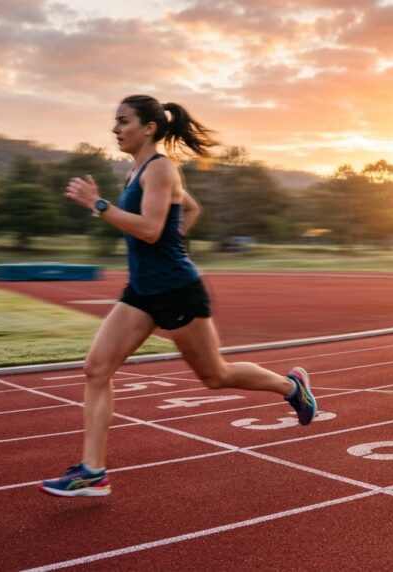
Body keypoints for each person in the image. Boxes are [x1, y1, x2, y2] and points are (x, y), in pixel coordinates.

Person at [41, 95, 317, 497]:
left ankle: (293, 387)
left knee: (215, 376)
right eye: (114, 123)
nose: (115, 130)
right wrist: (169, 239)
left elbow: (152, 230)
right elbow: (189, 210)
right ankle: (92, 471)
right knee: (96, 369)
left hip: (176, 290)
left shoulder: (161, 169)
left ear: (149, 127)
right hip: (141, 290)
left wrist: (98, 205)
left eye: (123, 121)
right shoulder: (134, 173)